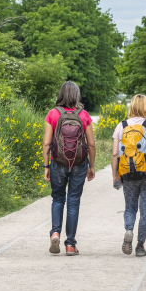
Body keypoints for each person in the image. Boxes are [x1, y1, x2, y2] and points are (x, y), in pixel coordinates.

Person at [43, 81, 96, 256]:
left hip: (58, 162)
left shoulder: (53, 114)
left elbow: (46, 143)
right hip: (79, 163)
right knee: (73, 202)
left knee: (58, 199)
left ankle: (55, 233)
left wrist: (46, 165)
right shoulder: (84, 115)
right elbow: (91, 144)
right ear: (76, 95)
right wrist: (92, 166)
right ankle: (70, 245)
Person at [112, 94, 146, 257]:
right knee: (145, 210)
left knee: (130, 207)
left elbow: (115, 154)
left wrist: (115, 175)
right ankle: (140, 246)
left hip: (128, 174)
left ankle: (129, 230)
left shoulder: (121, 126)